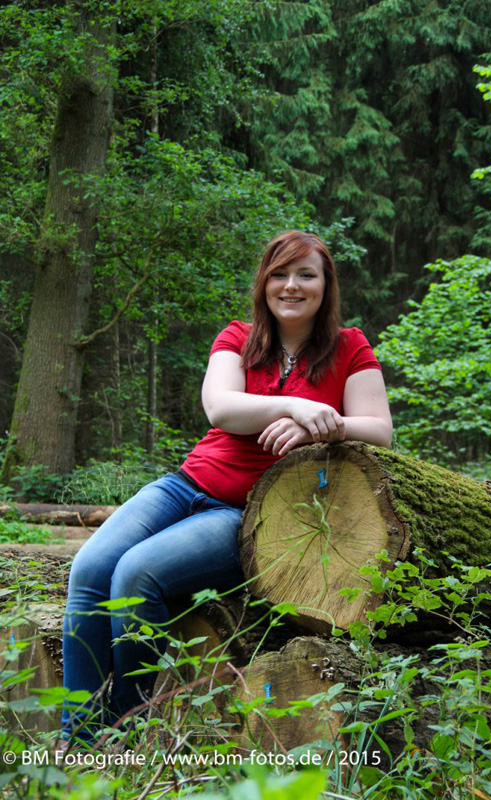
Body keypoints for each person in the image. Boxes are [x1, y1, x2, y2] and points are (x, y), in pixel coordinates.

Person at [61, 230, 392, 744]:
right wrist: (296, 405)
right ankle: (79, 736)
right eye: (280, 274)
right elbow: (221, 408)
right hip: (184, 485)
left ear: (326, 286)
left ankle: (123, 733)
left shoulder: (349, 347)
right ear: (264, 283)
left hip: (247, 512)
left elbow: (379, 429)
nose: (291, 285)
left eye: (306, 275)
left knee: (135, 575)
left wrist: (321, 426)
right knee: (89, 569)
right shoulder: (239, 337)